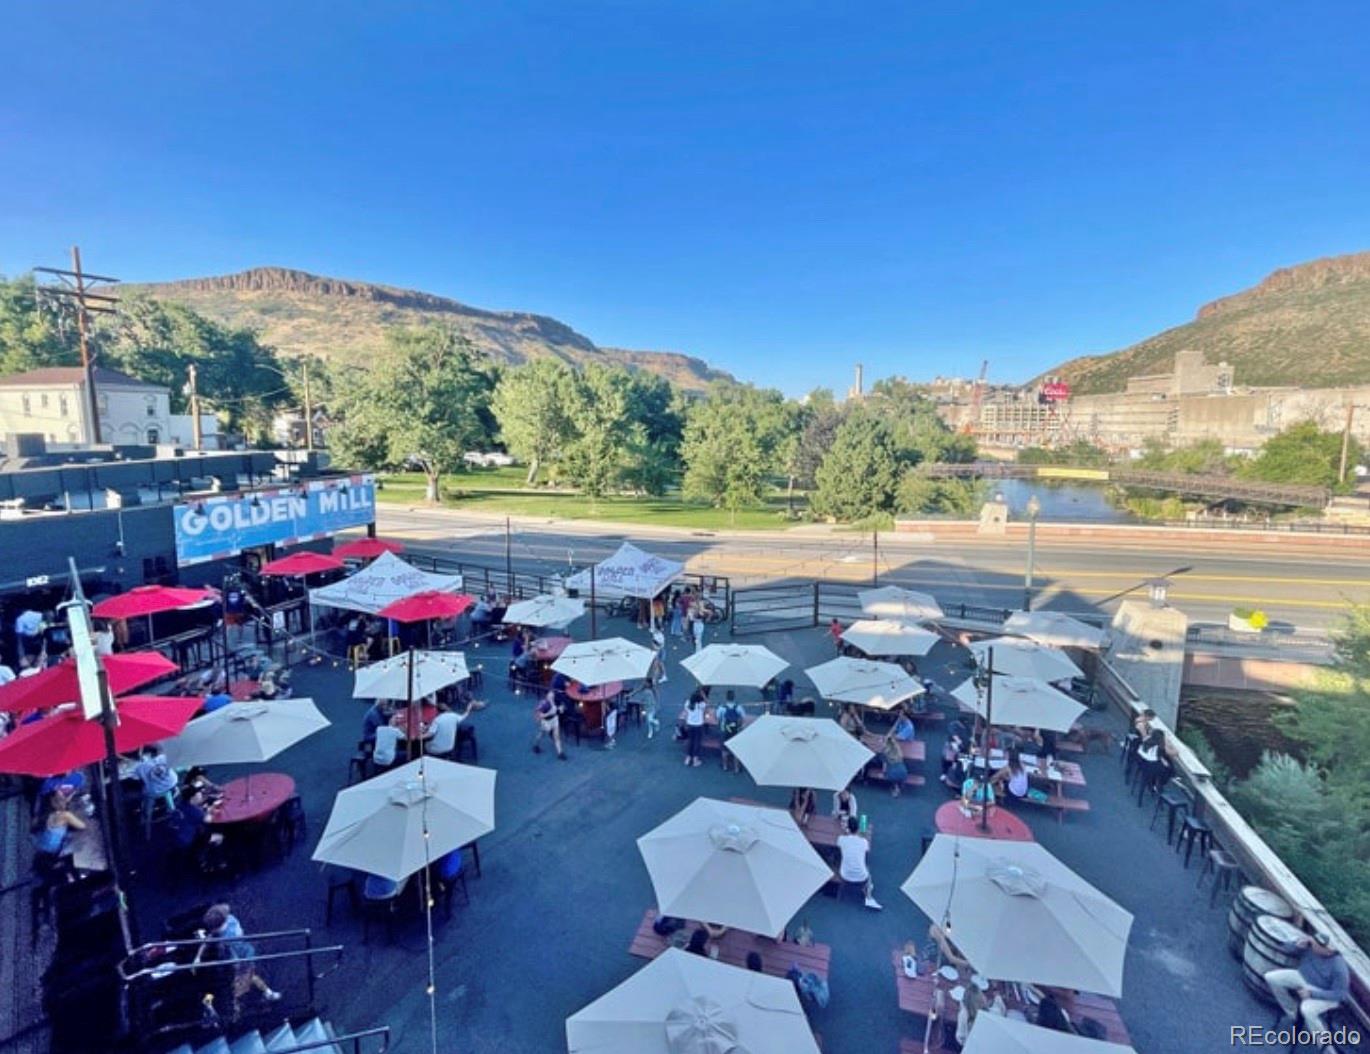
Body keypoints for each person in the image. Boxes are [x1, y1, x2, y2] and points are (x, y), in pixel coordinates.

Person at [1264, 930, 1349, 1037]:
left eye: (1318, 946)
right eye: (1314, 943)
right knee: (1271, 978)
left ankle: (1324, 1043)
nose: (1314, 947)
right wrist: (1296, 946)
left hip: (1323, 991)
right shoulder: (1309, 946)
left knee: (1307, 1010)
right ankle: (1293, 1012)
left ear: (1328, 951)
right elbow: (1285, 948)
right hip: (1302, 976)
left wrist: (1311, 994)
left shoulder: (1339, 967)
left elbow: (1340, 995)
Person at [196, 903, 281, 1002]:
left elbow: (214, 942)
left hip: (241, 959)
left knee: (239, 988)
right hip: (246, 953)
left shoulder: (227, 937)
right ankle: (267, 992)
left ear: (217, 927)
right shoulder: (231, 919)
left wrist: (200, 951)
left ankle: (237, 1007)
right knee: (251, 976)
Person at [836, 814, 881, 909]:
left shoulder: (841, 839)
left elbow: (840, 844)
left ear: (848, 828)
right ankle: (868, 897)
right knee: (868, 871)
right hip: (861, 877)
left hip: (845, 875)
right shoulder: (864, 842)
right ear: (858, 828)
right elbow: (866, 849)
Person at [32, 790, 85, 858]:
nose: (65, 800)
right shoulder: (65, 816)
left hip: (39, 844)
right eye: (61, 799)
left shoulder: (45, 812)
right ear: (54, 802)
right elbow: (82, 826)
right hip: (52, 850)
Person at [532, 690, 567, 760]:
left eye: (552, 695)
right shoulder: (544, 704)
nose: (551, 697)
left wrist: (561, 709)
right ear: (547, 696)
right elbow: (538, 715)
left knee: (556, 736)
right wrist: (549, 713)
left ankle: (560, 753)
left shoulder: (556, 701)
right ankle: (535, 745)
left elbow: (561, 710)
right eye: (550, 695)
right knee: (541, 734)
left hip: (555, 719)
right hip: (546, 721)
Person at [717, 691, 745, 772]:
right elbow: (743, 717)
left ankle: (725, 766)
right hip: (735, 730)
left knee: (724, 749)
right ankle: (736, 768)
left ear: (726, 697)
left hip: (724, 730)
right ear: (734, 697)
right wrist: (740, 726)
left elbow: (718, 718)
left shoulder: (722, 708)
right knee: (736, 749)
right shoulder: (738, 707)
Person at [682, 692, 707, 767]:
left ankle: (688, 758)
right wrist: (704, 695)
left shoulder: (688, 703)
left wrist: (686, 723)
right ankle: (695, 759)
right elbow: (707, 704)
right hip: (699, 725)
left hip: (690, 724)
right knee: (697, 742)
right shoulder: (701, 704)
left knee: (690, 741)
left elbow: (686, 714)